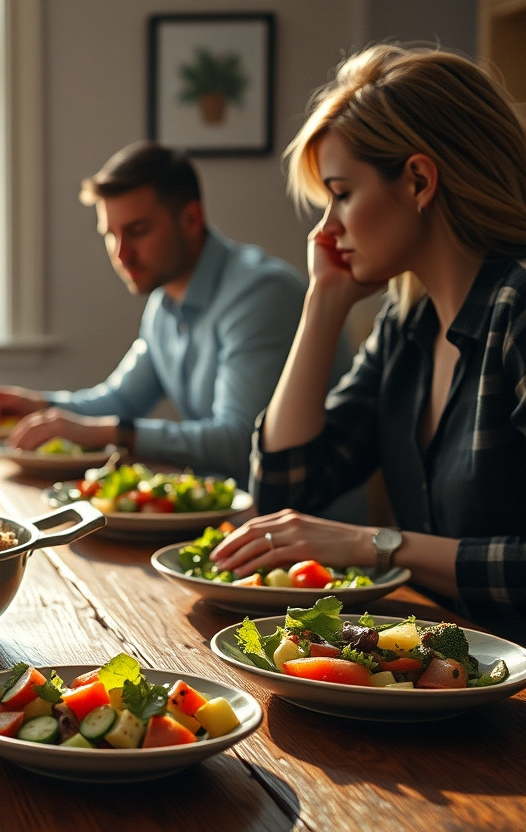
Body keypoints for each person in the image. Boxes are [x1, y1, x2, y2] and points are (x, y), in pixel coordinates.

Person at [208, 45, 526, 626]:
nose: (327, 229)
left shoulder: (519, 308)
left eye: (342, 193)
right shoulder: (408, 324)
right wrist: (323, 305)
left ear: (419, 180)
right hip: (452, 674)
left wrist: (371, 544)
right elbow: (286, 492)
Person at [0, 141, 351, 483]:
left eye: (137, 231)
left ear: (191, 219)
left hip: (302, 533)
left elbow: (241, 442)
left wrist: (112, 433)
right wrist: (41, 405)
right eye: (110, 234)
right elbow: (122, 400)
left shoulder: (260, 294)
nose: (121, 254)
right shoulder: (165, 299)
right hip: (231, 519)